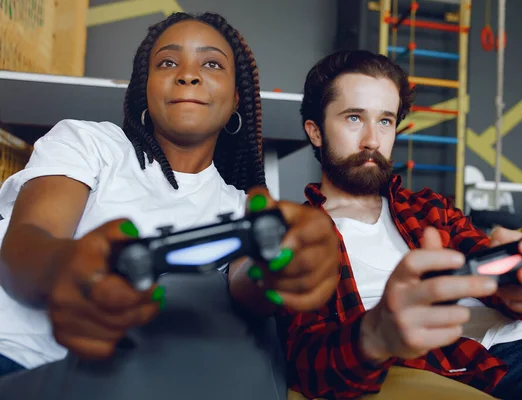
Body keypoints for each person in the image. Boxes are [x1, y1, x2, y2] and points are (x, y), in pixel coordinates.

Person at [0, 12, 339, 377]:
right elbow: (27, 242)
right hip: (16, 361)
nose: (188, 74)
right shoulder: (89, 143)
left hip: (125, 384)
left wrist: (282, 265)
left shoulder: (240, 207)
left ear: (237, 98)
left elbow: (247, 282)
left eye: (211, 64)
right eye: (167, 62)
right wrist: (67, 269)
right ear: (145, 88)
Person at [279, 49, 522, 400]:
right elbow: (307, 362)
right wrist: (375, 334)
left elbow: (485, 262)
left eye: (385, 121)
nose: (373, 139)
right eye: (354, 118)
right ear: (316, 132)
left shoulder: (428, 207)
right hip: (499, 367)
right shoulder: (299, 237)